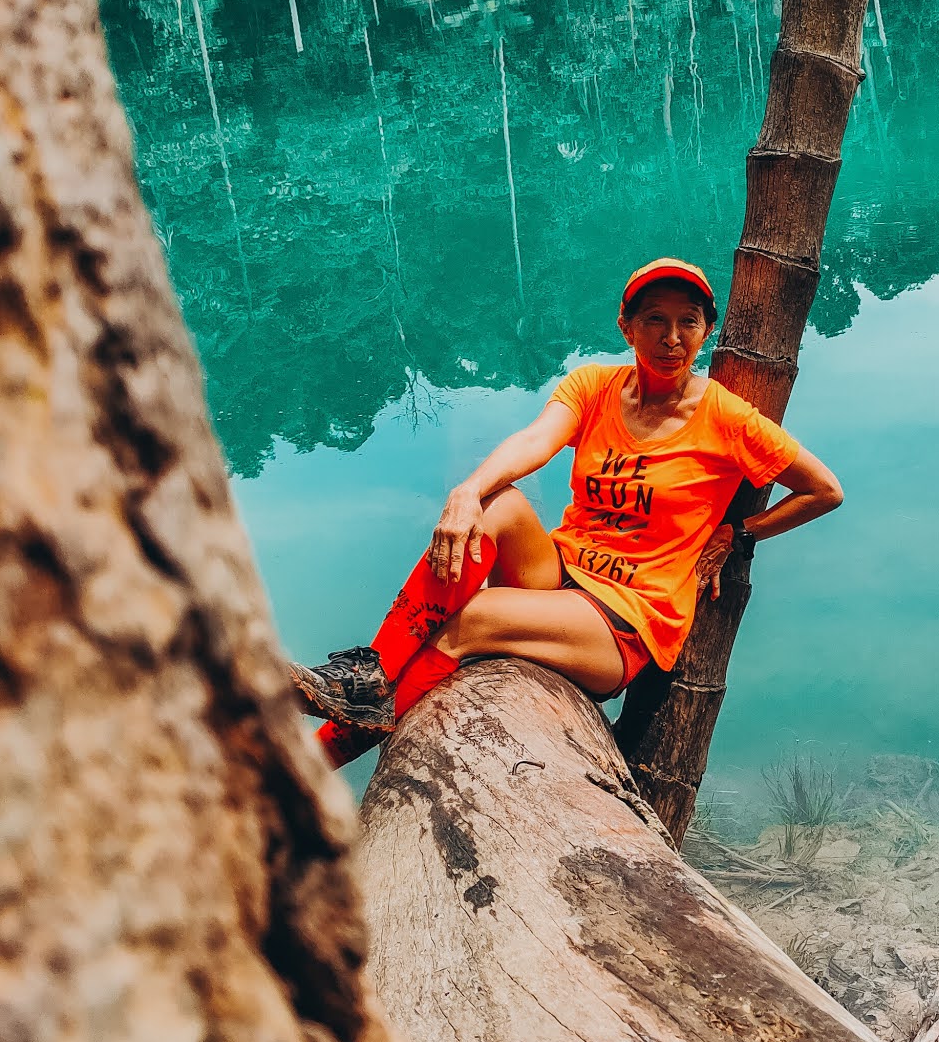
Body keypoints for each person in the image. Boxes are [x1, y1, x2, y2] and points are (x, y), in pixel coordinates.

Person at [292, 258, 843, 765]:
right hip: (561, 572)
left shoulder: (726, 417)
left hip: (627, 618)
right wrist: (466, 490)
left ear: (705, 330)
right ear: (626, 327)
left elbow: (823, 491)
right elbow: (536, 441)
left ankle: (313, 766)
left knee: (472, 622)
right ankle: (368, 678)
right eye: (655, 320)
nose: (671, 339)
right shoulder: (594, 386)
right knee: (497, 504)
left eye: (688, 322)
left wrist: (740, 531)